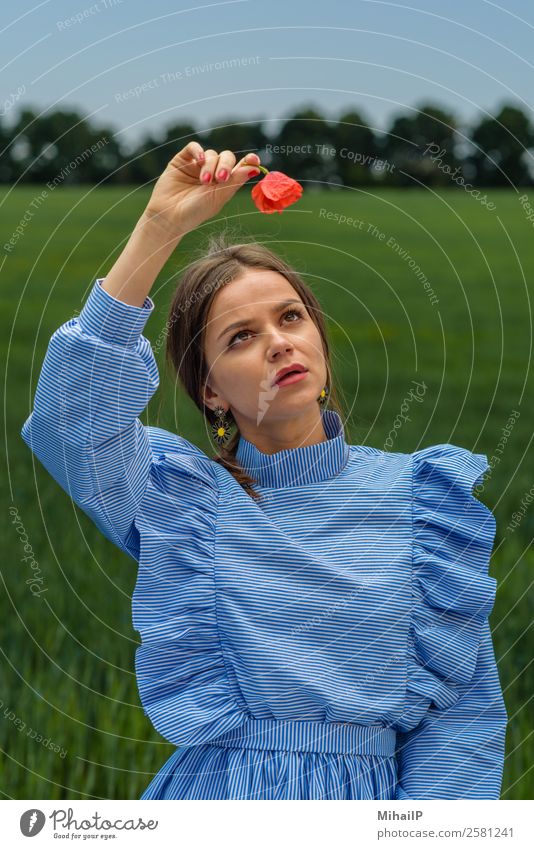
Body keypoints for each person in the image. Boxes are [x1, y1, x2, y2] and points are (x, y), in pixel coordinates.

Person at [21, 142, 508, 800]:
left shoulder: (421, 503)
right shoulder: (185, 502)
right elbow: (70, 421)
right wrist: (160, 228)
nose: (278, 340)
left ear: (319, 341)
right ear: (213, 392)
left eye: (290, 317)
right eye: (239, 337)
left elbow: (461, 722)